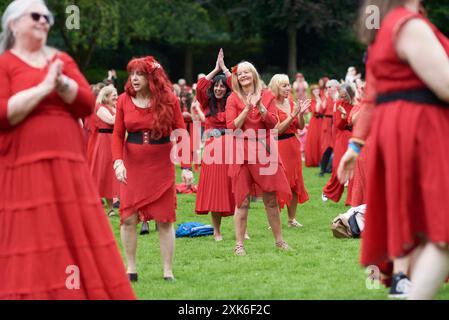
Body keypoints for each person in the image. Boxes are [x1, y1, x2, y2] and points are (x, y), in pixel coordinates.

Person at [0, 0, 135, 299]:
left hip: (68, 163)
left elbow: (86, 101)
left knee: (72, 228)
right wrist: (44, 87)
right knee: (34, 229)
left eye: (47, 16)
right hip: (25, 163)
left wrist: (61, 83)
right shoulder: (5, 64)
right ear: (13, 24)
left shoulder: (61, 59)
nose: (44, 21)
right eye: (35, 16)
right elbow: (3, 113)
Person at [338, 0, 449, 300]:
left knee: (427, 229)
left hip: (404, 131)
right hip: (420, 131)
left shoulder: (389, 25)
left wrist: (354, 144)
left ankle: (405, 290)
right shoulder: (408, 26)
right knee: (439, 229)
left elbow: (373, 95)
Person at [112, 55, 188, 282]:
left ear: (151, 77)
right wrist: (118, 161)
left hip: (161, 165)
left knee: (164, 219)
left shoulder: (169, 99)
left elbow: (181, 132)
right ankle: (131, 269)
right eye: (132, 74)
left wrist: (186, 166)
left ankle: (167, 271)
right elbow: (117, 134)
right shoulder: (124, 100)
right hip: (132, 165)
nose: (134, 78)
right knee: (128, 218)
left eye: (140, 74)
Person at [226, 61, 292, 256]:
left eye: (247, 72)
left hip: (264, 151)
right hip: (242, 152)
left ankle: (279, 241)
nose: (244, 76)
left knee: (271, 199)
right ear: (237, 78)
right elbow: (232, 127)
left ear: (254, 75)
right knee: (242, 200)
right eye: (240, 74)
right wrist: (247, 108)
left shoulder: (268, 95)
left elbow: (273, 124)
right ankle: (239, 245)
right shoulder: (233, 99)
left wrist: (261, 107)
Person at [194, 49, 236, 241]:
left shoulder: (232, 102)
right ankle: (217, 231)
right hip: (212, 149)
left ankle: (241, 229)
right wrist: (215, 68)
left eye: (222, 87)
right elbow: (200, 86)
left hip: (230, 147)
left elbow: (237, 86)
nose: (219, 89)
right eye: (216, 86)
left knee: (235, 186)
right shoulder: (206, 102)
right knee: (215, 189)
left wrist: (225, 69)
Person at [269, 74, 310, 227]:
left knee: (294, 183)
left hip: (293, 145)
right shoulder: (271, 105)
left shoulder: (291, 102)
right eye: (284, 85)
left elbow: (299, 126)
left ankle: (291, 219)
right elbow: (278, 130)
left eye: (288, 85)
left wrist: (299, 114)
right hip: (279, 146)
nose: (288, 88)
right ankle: (275, 218)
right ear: (276, 87)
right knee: (278, 183)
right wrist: (292, 114)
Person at [87, 85, 119, 216]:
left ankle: (115, 205)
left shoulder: (115, 108)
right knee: (104, 172)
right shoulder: (100, 108)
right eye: (114, 95)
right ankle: (106, 206)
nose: (116, 98)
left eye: (117, 95)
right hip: (104, 141)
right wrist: (122, 111)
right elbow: (111, 120)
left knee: (114, 172)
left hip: (114, 139)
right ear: (105, 97)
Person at [322, 83, 354, 203]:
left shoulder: (357, 104)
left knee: (354, 169)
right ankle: (328, 191)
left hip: (355, 136)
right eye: (341, 96)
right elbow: (339, 125)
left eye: (345, 96)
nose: (343, 99)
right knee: (338, 166)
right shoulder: (338, 104)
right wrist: (344, 115)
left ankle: (352, 199)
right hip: (342, 136)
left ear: (350, 94)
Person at [319, 79, 339, 176]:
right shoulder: (326, 97)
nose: (327, 89)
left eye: (329, 87)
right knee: (327, 146)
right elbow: (321, 110)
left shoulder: (339, 97)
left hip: (335, 122)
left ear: (336, 87)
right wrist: (325, 99)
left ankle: (332, 168)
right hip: (327, 122)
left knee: (335, 146)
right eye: (327, 87)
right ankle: (323, 169)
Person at [304, 84, 324, 167]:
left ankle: (322, 160)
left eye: (317, 90)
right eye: (314, 90)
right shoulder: (311, 101)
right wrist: (318, 99)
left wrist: (319, 99)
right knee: (315, 140)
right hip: (315, 122)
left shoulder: (323, 99)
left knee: (322, 140)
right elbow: (315, 110)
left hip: (322, 121)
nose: (316, 91)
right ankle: (315, 160)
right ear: (312, 92)